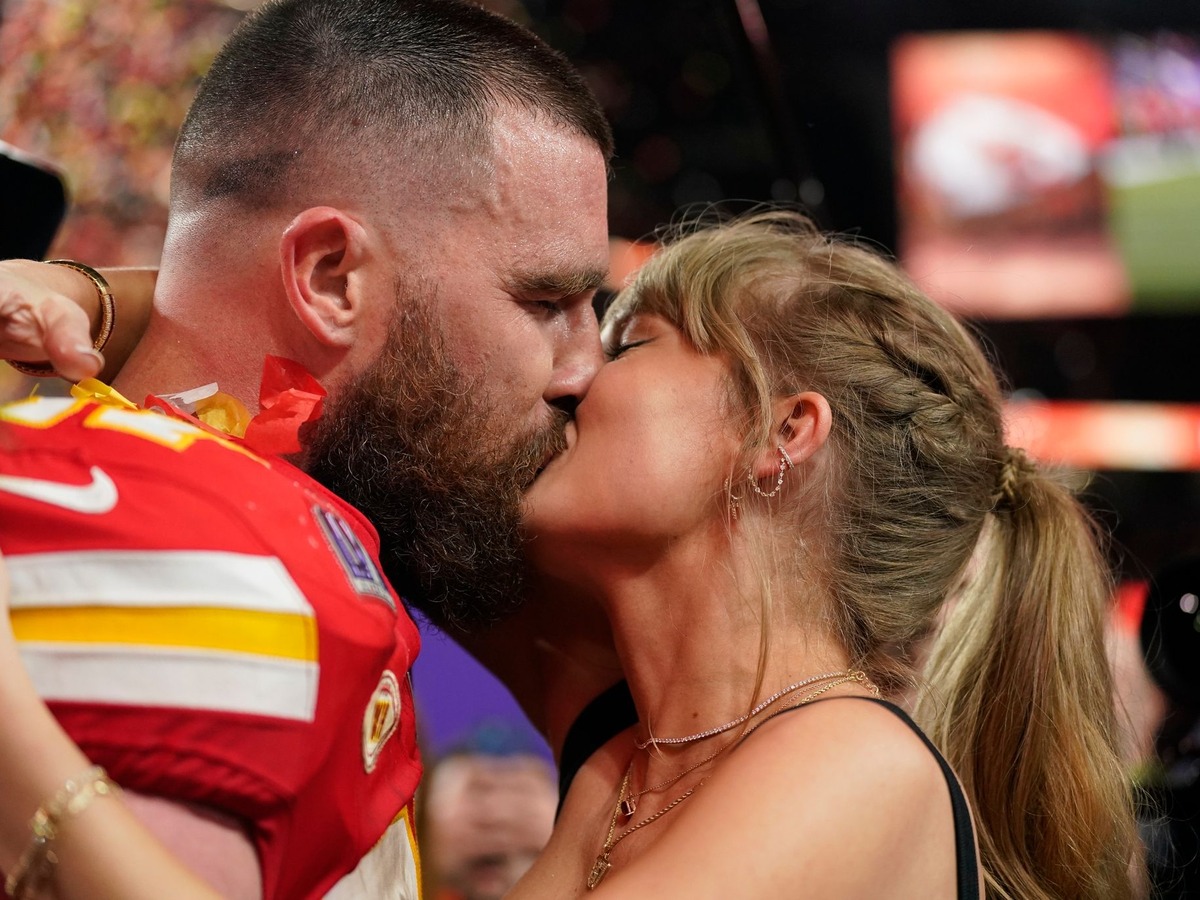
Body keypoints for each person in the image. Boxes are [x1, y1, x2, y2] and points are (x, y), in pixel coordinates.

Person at [0, 211, 1143, 898]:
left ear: (780, 434)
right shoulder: (624, 736)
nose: (571, 374)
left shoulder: (855, 765)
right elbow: (367, 361)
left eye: (630, 342)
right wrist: (86, 296)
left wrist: (21, 751)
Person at [0, 0, 620, 896]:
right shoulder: (183, 544)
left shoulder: (241, 513)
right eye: (545, 303)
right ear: (329, 278)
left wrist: (91, 293)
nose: (585, 369)